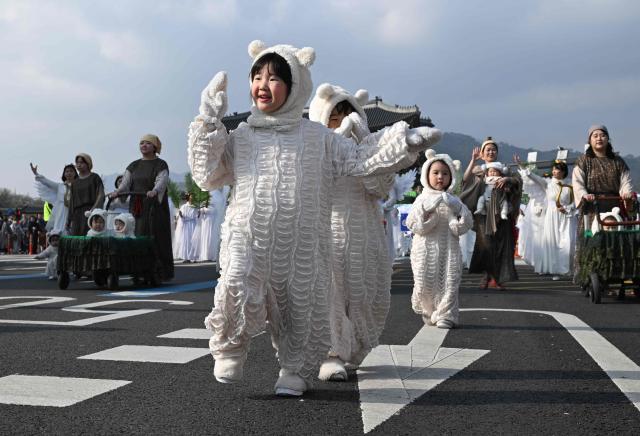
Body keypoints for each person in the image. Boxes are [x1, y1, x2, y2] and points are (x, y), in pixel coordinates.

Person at [187, 40, 441, 396]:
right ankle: (230, 347)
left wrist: (402, 140)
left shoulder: (318, 137)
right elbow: (207, 173)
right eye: (257, 75)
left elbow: (357, 157)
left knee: (301, 308)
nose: (263, 84)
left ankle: (295, 370)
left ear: (295, 88)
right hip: (248, 234)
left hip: (302, 244)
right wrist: (209, 121)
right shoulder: (242, 135)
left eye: (274, 78)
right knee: (236, 281)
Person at [308, 83, 394, 381]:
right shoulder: (313, 149)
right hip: (327, 229)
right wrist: (336, 144)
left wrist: (367, 144)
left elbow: (380, 188)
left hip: (364, 231)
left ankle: (353, 347)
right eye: (334, 116)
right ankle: (331, 354)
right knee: (329, 293)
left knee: (364, 293)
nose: (342, 121)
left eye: (348, 114)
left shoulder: (366, 150)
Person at [408, 150, 473, 329]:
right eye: (435, 172)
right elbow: (413, 224)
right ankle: (429, 311)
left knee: (450, 280)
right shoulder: (421, 199)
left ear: (451, 176)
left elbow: (465, 225)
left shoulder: (454, 199)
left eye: (445, 173)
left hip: (449, 248)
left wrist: (459, 208)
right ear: (426, 175)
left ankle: (446, 315)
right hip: (425, 250)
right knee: (423, 282)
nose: (440, 177)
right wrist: (426, 213)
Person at [572, 125, 634, 281]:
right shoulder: (583, 161)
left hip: (615, 205)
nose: (599, 138)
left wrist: (626, 194)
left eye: (602, 135)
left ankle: (617, 275)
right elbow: (577, 183)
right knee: (591, 240)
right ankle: (590, 276)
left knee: (617, 240)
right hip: (592, 207)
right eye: (595, 136)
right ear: (590, 140)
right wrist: (585, 195)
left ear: (608, 139)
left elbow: (625, 181)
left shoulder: (618, 161)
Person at [108, 134, 174, 281]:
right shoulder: (133, 165)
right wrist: (117, 192)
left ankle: (160, 270)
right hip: (137, 205)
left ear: (155, 147)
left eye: (148, 143)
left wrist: (155, 191)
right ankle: (138, 269)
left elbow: (161, 181)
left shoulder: (160, 164)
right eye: (141, 143)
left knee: (155, 236)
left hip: (154, 205)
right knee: (136, 235)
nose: (144, 146)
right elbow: (125, 183)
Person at [460, 137, 521, 290]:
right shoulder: (479, 170)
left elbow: (518, 182)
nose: (491, 152)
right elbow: (465, 180)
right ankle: (487, 276)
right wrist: (473, 160)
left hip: (502, 214)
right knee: (485, 245)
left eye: (493, 149)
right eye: (488, 149)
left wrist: (507, 179)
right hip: (484, 214)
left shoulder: (504, 169)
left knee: (502, 245)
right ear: (482, 152)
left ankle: (498, 278)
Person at [516, 158, 577, 279]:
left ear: (563, 172)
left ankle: (568, 269)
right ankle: (555, 270)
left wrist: (568, 208)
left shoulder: (570, 184)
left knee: (567, 242)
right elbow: (533, 177)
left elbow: (575, 200)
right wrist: (522, 167)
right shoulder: (547, 183)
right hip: (552, 216)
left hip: (567, 215)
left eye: (558, 169)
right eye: (554, 169)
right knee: (553, 242)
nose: (555, 171)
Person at [30, 163, 78, 235]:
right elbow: (47, 182)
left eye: (71, 171)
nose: (69, 173)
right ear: (64, 174)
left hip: (74, 210)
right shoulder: (60, 186)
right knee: (60, 230)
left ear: (75, 173)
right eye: (67, 171)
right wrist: (36, 173)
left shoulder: (79, 186)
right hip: (61, 211)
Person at [67, 154, 104, 236]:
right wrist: (69, 220)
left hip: (90, 212)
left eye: (82, 162)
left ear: (88, 163)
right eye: (77, 162)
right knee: (76, 239)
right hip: (77, 215)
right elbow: (72, 202)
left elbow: (100, 195)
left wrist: (93, 211)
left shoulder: (95, 177)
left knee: (90, 237)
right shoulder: (75, 182)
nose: (79, 165)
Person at [173, 193, 199, 263]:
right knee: (186, 240)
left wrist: (198, 215)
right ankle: (186, 257)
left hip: (193, 224)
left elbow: (197, 217)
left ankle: (193, 257)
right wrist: (181, 216)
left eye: (193, 196)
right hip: (186, 225)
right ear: (188, 197)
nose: (192, 197)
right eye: (191, 196)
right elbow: (181, 216)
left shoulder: (196, 206)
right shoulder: (184, 206)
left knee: (193, 240)